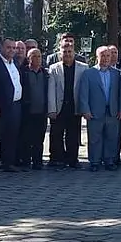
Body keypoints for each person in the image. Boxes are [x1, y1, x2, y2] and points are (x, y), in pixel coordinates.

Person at [77, 46, 121, 172]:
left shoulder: (116, 74)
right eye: (103, 55)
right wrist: (85, 110)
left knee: (111, 137)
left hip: (112, 111)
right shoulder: (88, 73)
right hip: (94, 112)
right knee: (94, 138)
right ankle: (95, 162)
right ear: (97, 57)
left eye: (108, 56)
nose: (105, 58)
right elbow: (83, 93)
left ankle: (109, 161)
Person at [48, 39, 88, 170]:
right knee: (56, 134)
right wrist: (52, 109)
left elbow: (85, 89)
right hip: (59, 107)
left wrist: (84, 107)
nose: (67, 54)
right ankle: (57, 159)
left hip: (74, 106)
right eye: (64, 52)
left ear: (74, 53)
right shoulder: (54, 68)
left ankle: (72, 159)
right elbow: (51, 90)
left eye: (70, 51)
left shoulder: (83, 68)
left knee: (73, 134)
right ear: (60, 53)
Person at [0, 39, 24, 173]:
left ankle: (8, 162)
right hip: (0, 106)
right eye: (8, 47)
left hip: (15, 105)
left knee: (11, 134)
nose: (12, 50)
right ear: (1, 47)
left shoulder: (16, 64)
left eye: (14, 48)